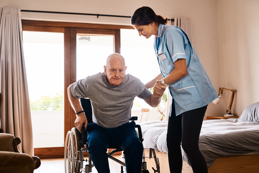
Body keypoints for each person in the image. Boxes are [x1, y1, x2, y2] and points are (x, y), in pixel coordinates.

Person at [131, 6, 218, 173]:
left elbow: (181, 70)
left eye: (141, 29)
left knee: (189, 145)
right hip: (179, 98)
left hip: (194, 95)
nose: (140, 34)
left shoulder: (172, 33)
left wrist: (162, 84)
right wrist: (145, 86)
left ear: (151, 22)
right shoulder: (157, 39)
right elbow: (167, 71)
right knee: (171, 142)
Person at [67, 53, 164, 173]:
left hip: (124, 129)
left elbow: (152, 102)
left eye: (120, 70)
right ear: (105, 69)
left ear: (125, 69)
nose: (117, 75)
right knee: (94, 144)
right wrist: (80, 113)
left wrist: (158, 95)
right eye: (112, 70)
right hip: (99, 129)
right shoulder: (92, 82)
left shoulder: (134, 83)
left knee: (135, 145)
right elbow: (71, 90)